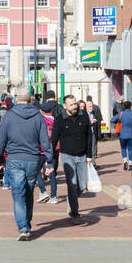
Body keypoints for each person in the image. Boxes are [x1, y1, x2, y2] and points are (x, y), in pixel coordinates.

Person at [0, 87, 52, 241]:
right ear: (30, 99)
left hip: (14, 158)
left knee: (18, 193)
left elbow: (1, 140)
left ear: (16, 99)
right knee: (28, 191)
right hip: (33, 159)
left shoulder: (9, 116)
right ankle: (27, 222)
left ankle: (23, 227)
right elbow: (45, 140)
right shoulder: (37, 116)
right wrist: (50, 160)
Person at [52, 92, 93, 223]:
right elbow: (54, 138)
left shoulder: (83, 116)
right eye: (71, 104)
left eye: (75, 103)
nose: (75, 106)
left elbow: (89, 136)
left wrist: (89, 155)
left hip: (82, 155)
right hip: (67, 156)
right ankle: (75, 213)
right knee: (72, 184)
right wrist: (50, 157)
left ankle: (71, 199)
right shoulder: (60, 119)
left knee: (82, 186)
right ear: (65, 106)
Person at [35, 89, 61, 204]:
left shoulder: (40, 120)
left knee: (36, 171)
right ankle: (53, 196)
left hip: (41, 149)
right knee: (52, 173)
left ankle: (43, 191)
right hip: (53, 148)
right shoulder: (54, 120)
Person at [85, 98, 103, 166]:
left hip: (92, 133)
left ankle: (93, 163)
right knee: (87, 149)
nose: (91, 107)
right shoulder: (84, 114)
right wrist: (91, 123)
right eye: (89, 106)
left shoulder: (93, 113)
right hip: (86, 134)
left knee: (92, 149)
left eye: (92, 106)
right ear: (86, 107)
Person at [117, 100, 132, 170]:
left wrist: (119, 121)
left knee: (123, 148)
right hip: (131, 134)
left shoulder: (121, 114)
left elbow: (112, 120)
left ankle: (125, 162)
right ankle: (130, 163)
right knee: (130, 149)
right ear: (131, 106)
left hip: (122, 134)